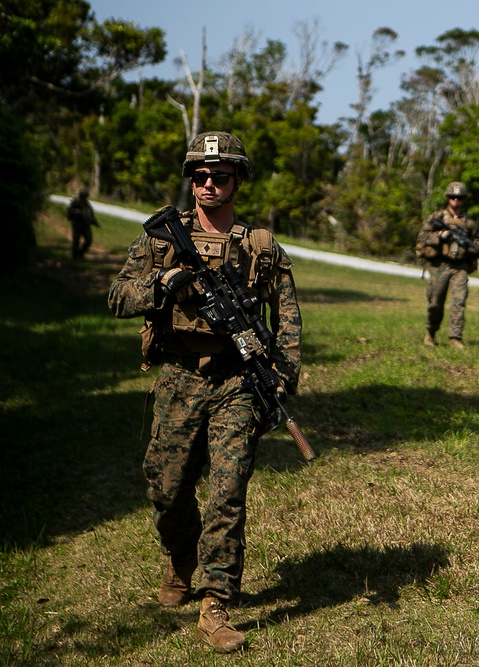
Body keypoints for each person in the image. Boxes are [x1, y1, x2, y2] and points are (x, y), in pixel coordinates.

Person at [108, 131, 302, 653]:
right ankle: (180, 557)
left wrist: (284, 374)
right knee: (167, 489)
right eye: (200, 175)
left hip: (237, 380)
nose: (209, 183)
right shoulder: (160, 240)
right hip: (178, 378)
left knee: (227, 491)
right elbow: (117, 297)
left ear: (239, 179)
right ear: (191, 180)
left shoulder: (260, 246)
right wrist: (163, 280)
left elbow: (286, 316)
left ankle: (215, 603)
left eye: (220, 175)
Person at [415, 181, 479, 348]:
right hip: (440, 265)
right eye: (453, 197)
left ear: (463, 200)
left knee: (459, 301)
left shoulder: (469, 223)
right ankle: (430, 333)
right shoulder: (436, 218)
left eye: (459, 198)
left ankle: (455, 337)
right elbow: (421, 239)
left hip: (460, 267)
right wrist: (440, 235)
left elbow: (478, 241)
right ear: (448, 198)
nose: (456, 200)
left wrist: (477, 248)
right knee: (435, 303)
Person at [67, 189, 99, 260]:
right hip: (77, 225)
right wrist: (77, 212)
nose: (84, 198)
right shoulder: (75, 203)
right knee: (76, 241)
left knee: (88, 240)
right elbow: (69, 211)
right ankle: (74, 256)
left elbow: (91, 214)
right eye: (83, 196)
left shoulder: (87, 204)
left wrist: (94, 221)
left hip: (86, 225)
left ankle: (81, 253)